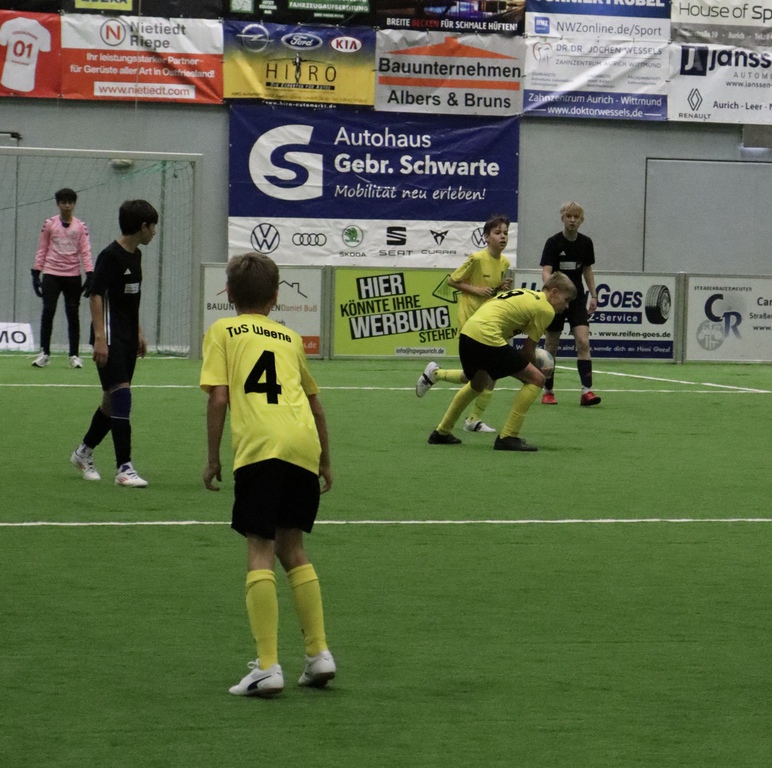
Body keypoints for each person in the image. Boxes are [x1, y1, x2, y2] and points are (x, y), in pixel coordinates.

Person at [200, 252, 336, 698]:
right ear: (276, 297)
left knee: (260, 549)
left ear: (228, 294)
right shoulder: (291, 338)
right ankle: (319, 654)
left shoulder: (222, 331)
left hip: (260, 448)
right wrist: (325, 460)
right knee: (292, 547)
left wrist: (213, 458)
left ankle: (266, 667)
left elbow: (219, 398)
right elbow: (315, 405)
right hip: (302, 446)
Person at [427, 272, 576, 451]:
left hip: (468, 333)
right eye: (566, 300)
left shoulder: (526, 294)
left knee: (478, 383)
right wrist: (540, 371)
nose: (566, 306)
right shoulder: (546, 309)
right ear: (554, 292)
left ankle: (441, 432)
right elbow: (528, 350)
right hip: (486, 336)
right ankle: (508, 436)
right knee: (536, 379)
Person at [69, 199, 158, 488]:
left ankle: (83, 453)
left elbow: (132, 300)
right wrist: (99, 338)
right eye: (153, 226)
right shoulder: (110, 256)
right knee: (122, 395)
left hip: (127, 335)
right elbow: (95, 295)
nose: (155, 232)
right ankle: (124, 468)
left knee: (111, 402)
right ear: (142, 226)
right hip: (109, 335)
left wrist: (139, 332)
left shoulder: (137, 255)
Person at [415, 214, 513, 433]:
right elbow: (452, 281)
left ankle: (472, 417)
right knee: (480, 373)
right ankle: (438, 377)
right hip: (471, 321)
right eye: (497, 233)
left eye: (505, 233)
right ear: (486, 237)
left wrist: (500, 288)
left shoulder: (505, 262)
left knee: (486, 373)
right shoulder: (476, 258)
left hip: (489, 321)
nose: (503, 237)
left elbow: (491, 289)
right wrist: (476, 290)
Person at [540, 202, 601, 406]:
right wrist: (551, 291)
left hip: (577, 300)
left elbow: (587, 270)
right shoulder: (553, 243)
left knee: (583, 342)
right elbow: (546, 271)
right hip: (556, 301)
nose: (572, 220)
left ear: (581, 220)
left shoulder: (586, 243)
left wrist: (593, 295)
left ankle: (586, 391)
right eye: (569, 216)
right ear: (563, 218)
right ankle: (548, 390)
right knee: (551, 345)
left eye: (576, 217)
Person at [31, 187, 94, 368]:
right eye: (63, 202)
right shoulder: (50, 224)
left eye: (70, 202)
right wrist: (36, 272)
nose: (67, 206)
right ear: (58, 204)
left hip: (72, 275)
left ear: (74, 204)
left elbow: (85, 251)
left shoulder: (80, 226)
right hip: (51, 273)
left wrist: (90, 273)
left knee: (72, 314)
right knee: (48, 311)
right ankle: (44, 353)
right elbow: (42, 248)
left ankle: (74, 355)